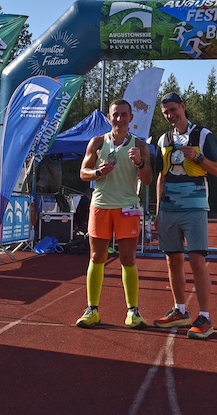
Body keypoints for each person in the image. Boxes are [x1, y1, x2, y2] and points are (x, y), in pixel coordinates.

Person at [150, 92, 217, 339]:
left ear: (183, 107)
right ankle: (180, 310)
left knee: (196, 260)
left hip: (194, 207)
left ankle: (205, 317)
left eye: (173, 110)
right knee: (172, 260)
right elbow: (161, 176)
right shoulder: (163, 139)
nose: (170, 115)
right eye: (166, 113)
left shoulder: (202, 135)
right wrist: (158, 211)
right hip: (169, 208)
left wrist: (198, 157)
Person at [75, 99, 153, 330]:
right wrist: (98, 172)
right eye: (115, 115)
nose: (119, 119)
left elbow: (148, 179)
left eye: (124, 115)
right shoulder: (98, 142)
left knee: (127, 259)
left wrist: (140, 163)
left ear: (131, 118)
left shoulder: (140, 145)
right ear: (109, 118)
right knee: (96, 257)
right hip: (101, 205)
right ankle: (92, 310)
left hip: (127, 207)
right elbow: (83, 173)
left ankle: (133, 311)